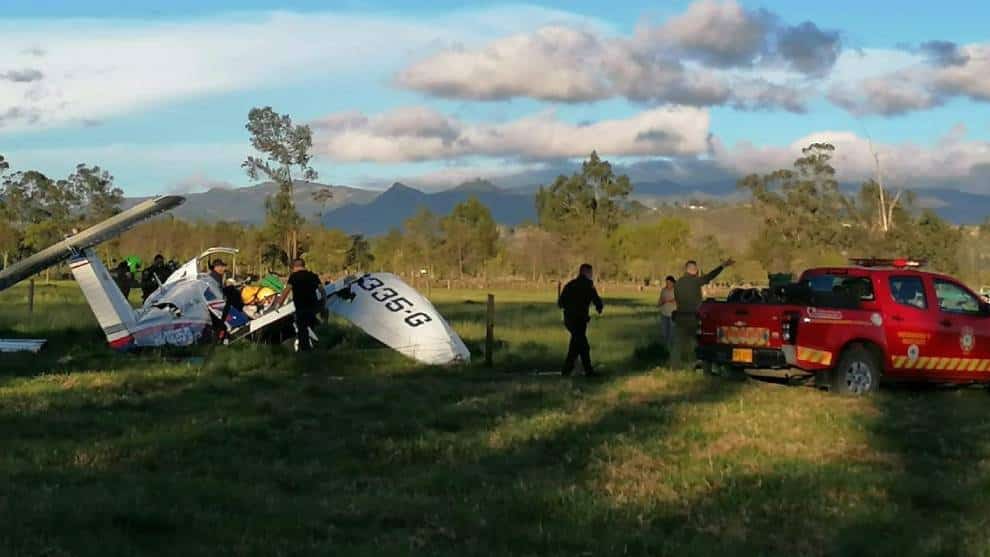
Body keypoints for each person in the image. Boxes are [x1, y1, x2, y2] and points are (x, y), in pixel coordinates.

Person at [671, 258, 734, 369]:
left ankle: (675, 367)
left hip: (680, 317)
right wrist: (722, 266)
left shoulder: (677, 283)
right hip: (693, 318)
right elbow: (709, 276)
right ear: (694, 270)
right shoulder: (696, 281)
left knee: (678, 344)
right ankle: (700, 367)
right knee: (699, 344)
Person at [557, 263, 604, 376]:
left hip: (569, 320)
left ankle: (568, 370)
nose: (591, 275)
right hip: (579, 320)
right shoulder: (588, 285)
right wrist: (599, 307)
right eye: (590, 273)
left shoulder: (570, 285)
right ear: (585, 272)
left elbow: (561, 303)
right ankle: (587, 371)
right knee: (583, 345)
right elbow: (596, 299)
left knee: (576, 345)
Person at [275, 258, 325, 352]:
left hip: (301, 306)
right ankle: (316, 345)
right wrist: (323, 304)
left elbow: (286, 291)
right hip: (312, 306)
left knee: (302, 329)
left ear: (294, 267)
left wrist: (279, 304)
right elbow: (322, 291)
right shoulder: (313, 275)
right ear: (303, 265)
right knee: (310, 325)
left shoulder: (294, 277)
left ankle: (305, 350)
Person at [658, 275, 677, 347]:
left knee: (672, 333)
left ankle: (672, 347)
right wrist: (660, 303)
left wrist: (669, 300)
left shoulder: (676, 290)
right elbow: (660, 300)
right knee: (664, 332)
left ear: (673, 283)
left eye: (669, 283)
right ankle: (665, 346)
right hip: (664, 313)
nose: (667, 284)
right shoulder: (663, 290)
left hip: (673, 315)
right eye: (666, 283)